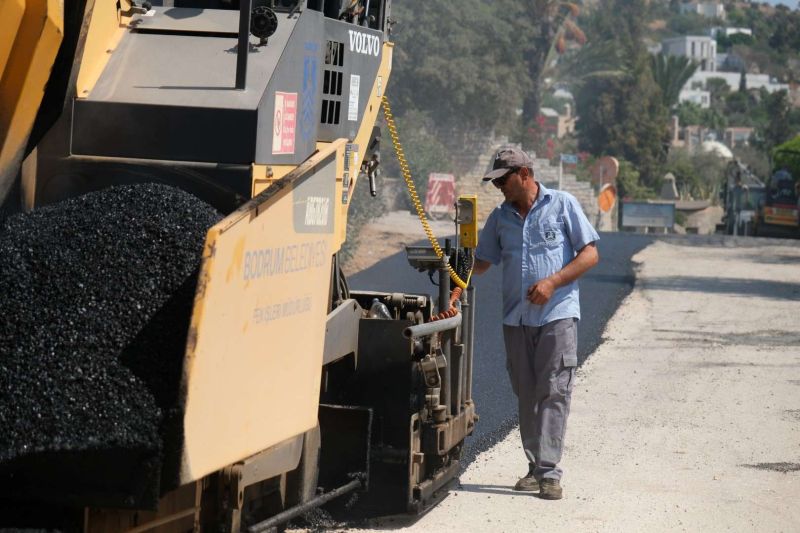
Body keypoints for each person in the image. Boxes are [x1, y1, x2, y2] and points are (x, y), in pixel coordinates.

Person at [473, 147, 599, 500]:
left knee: (554, 390)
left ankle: (549, 471)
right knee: (526, 394)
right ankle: (534, 466)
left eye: (503, 180)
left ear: (524, 174)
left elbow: (590, 253)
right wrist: (454, 278)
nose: (499, 187)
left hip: (557, 316)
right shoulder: (500, 219)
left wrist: (553, 282)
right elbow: (483, 262)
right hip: (516, 319)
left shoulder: (562, 205)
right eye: (495, 181)